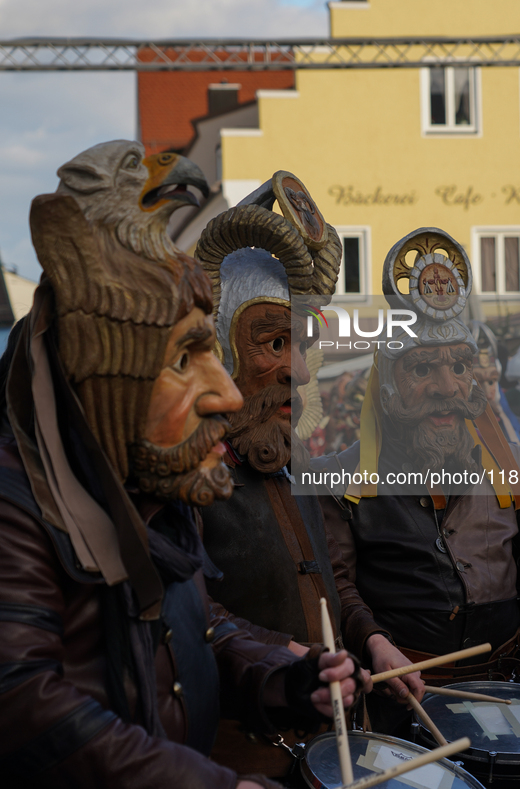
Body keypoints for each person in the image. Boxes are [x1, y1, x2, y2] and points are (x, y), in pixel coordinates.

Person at [0, 142, 362, 789]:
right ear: (104, 369)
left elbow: (195, 620)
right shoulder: (18, 504)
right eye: (183, 357)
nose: (224, 394)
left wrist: (284, 675)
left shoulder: (150, 493)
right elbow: (20, 697)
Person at [194, 173, 423, 775]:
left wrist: (368, 635)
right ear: (219, 350)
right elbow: (189, 611)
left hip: (327, 741)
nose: (298, 370)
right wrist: (283, 660)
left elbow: (327, 586)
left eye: (303, 344)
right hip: (238, 755)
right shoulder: (183, 477)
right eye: (272, 342)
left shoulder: (294, 464)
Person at [314, 228, 520, 733]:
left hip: (510, 695)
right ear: (388, 387)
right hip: (404, 705)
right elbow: (337, 584)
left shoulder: (508, 460)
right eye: (422, 369)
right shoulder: (341, 478)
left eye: (459, 366)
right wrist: (373, 640)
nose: (446, 387)